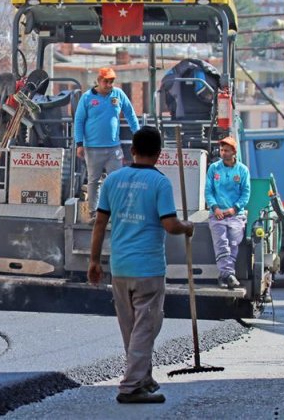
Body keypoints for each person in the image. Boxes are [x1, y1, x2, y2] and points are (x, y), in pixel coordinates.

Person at [88, 126, 194, 405]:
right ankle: (131, 387)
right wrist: (188, 226)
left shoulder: (113, 180)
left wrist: (94, 260)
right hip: (148, 267)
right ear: (159, 155)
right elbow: (170, 225)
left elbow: (100, 223)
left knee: (132, 328)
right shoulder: (160, 183)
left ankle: (143, 378)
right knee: (145, 327)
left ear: (131, 150)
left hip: (120, 267)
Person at [74, 67, 140, 221]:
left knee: (117, 180)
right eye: (106, 81)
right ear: (98, 81)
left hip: (113, 147)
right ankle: (94, 212)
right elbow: (79, 121)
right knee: (94, 180)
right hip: (92, 148)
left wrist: (138, 133)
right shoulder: (87, 98)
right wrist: (79, 143)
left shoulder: (118, 95)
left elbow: (130, 114)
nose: (109, 84)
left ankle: (116, 212)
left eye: (112, 81)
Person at [204, 136, 250, 289]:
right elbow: (208, 191)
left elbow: (246, 193)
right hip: (218, 214)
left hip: (236, 215)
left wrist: (234, 209)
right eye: (222, 150)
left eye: (227, 151)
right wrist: (215, 207)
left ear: (234, 152)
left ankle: (224, 276)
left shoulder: (242, 170)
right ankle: (228, 274)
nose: (223, 153)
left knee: (233, 243)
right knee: (222, 243)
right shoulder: (214, 168)